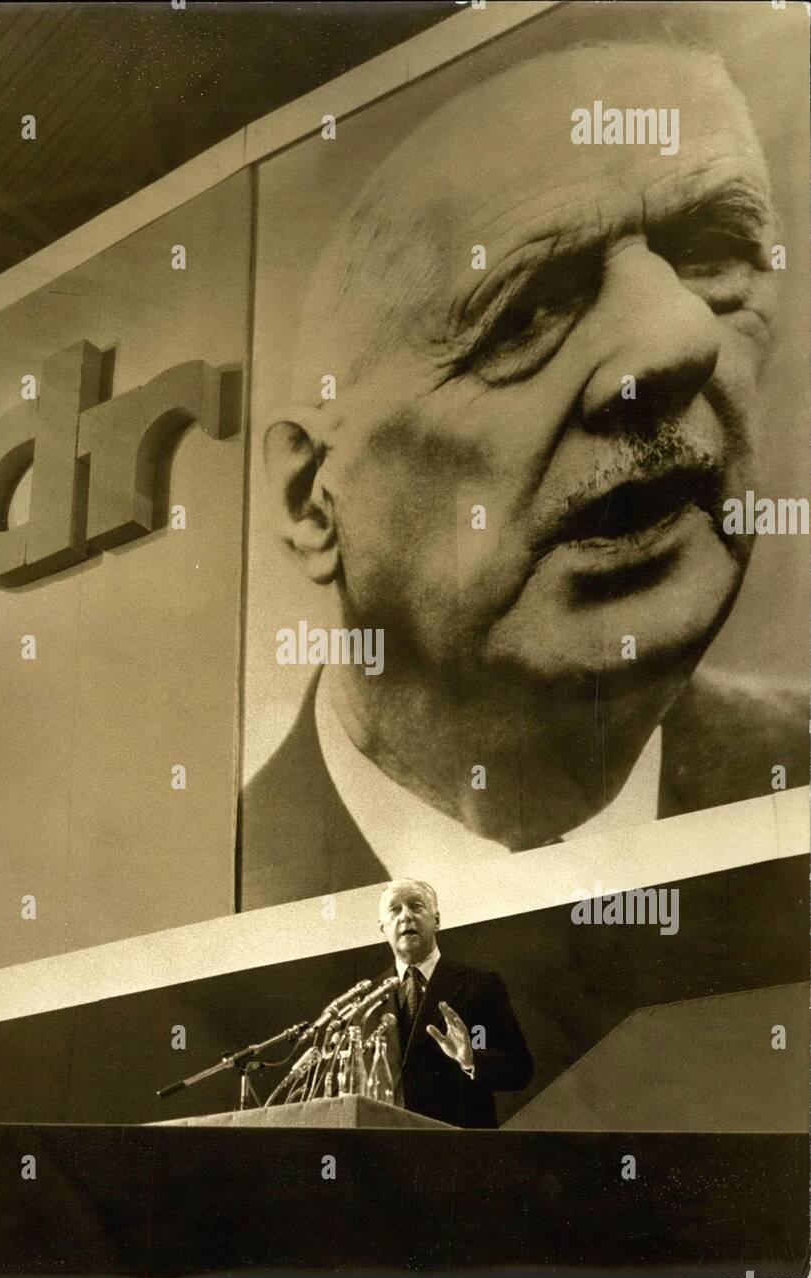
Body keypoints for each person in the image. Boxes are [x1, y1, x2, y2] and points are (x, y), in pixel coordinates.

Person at [240, 40, 807, 911]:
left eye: (708, 254)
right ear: (314, 500)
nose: (677, 341)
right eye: (528, 309)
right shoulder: (201, 897)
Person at [367, 879, 532, 1128]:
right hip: (390, 1145)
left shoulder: (480, 984)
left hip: (458, 1147)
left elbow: (520, 1069)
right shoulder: (368, 998)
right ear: (382, 928)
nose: (406, 916)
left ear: (437, 920)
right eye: (395, 909)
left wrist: (470, 1060)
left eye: (416, 906)